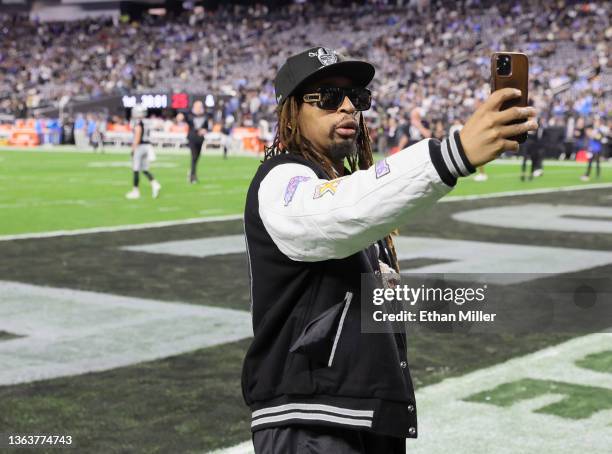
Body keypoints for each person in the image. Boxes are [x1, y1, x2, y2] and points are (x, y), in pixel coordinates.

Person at [241, 46, 538, 453]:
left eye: (358, 98)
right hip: (310, 419)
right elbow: (333, 212)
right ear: (291, 111)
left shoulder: (340, 181)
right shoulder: (282, 179)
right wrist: (454, 154)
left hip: (361, 415)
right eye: (328, 97)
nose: (348, 107)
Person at [125, 104, 161, 200]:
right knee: (145, 169)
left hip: (140, 146)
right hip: (148, 146)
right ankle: (154, 183)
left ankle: (135, 191)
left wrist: (133, 149)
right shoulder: (147, 122)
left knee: (136, 169)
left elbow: (138, 134)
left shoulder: (138, 123)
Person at [186, 100, 210, 183]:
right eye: (198, 106)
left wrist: (205, 130)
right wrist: (198, 130)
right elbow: (189, 123)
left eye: (200, 106)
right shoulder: (190, 115)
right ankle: (193, 177)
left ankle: (192, 172)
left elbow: (207, 127)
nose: (199, 108)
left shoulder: (205, 116)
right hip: (192, 138)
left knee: (197, 158)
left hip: (200, 139)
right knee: (194, 157)